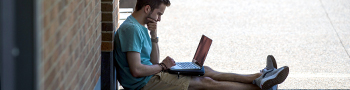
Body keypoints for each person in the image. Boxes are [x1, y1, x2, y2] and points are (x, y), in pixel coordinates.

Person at [113, 0, 289, 90]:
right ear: (147, 9)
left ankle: (259, 77)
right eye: (159, 13)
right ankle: (262, 86)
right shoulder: (131, 30)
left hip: (151, 76)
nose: (159, 19)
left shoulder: (140, 28)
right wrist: (162, 66)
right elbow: (137, 70)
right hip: (144, 84)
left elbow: (152, 61)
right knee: (206, 82)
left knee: (208, 70)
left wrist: (154, 35)